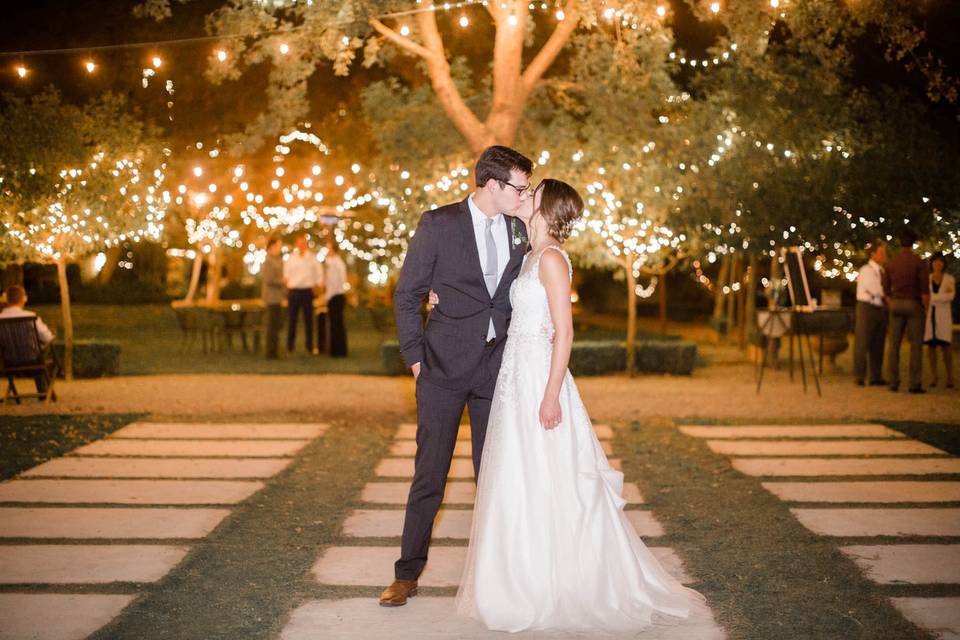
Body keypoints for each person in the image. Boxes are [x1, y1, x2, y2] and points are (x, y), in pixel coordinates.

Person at [454, 179, 707, 632]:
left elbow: (565, 332)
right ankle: (517, 580)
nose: (525, 196)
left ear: (546, 208)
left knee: (549, 475)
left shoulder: (551, 260)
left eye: (533, 194)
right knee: (518, 474)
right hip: (515, 375)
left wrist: (551, 393)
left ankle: (555, 583)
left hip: (539, 379)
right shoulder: (530, 255)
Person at [380, 145, 534, 607]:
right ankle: (406, 574)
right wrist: (414, 357)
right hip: (442, 369)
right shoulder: (438, 224)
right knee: (430, 475)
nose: (524, 193)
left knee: (492, 475)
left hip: (496, 370)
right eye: (519, 187)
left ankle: (497, 576)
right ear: (492, 185)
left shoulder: (520, 228)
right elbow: (407, 294)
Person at [883, 230, 930, 393]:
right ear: (913, 243)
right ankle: (914, 383)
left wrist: (890, 302)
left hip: (896, 303)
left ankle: (893, 382)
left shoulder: (892, 262)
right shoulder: (918, 262)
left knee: (894, 345)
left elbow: (885, 286)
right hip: (913, 303)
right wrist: (926, 307)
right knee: (916, 345)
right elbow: (925, 290)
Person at [0, 285, 55, 396]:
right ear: (23, 299)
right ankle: (43, 391)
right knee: (42, 352)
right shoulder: (31, 316)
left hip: (9, 361)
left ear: (6, 299)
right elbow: (47, 337)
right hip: (32, 359)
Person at [853, 240, 888, 386]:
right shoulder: (866, 270)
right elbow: (875, 288)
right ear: (872, 254)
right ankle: (860, 375)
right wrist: (886, 291)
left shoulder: (882, 271)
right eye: (881, 253)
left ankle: (875, 376)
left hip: (879, 307)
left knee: (878, 342)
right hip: (867, 307)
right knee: (863, 341)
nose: (884, 256)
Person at [283, 233, 322, 354]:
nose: (301, 245)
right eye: (299, 243)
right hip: (294, 292)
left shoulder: (312, 258)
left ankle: (309, 346)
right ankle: (290, 346)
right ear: (296, 244)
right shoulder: (291, 258)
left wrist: (317, 286)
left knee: (309, 320)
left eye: (303, 243)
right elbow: (286, 275)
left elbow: (319, 274)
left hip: (307, 292)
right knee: (292, 320)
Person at [924, 252, 955, 388]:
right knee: (931, 348)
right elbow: (925, 297)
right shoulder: (927, 278)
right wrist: (940, 297)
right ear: (931, 264)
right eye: (935, 261)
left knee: (946, 347)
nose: (938, 264)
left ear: (943, 264)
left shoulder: (949, 279)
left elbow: (951, 296)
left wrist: (934, 298)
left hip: (943, 316)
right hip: (931, 316)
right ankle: (934, 376)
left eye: (940, 261)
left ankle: (950, 377)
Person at [322, 241, 349, 357]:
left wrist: (327, 296)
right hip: (339, 295)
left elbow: (333, 283)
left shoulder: (333, 264)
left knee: (335, 324)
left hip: (335, 296)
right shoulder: (339, 262)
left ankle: (336, 350)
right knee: (338, 323)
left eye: (329, 249)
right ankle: (340, 350)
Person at [261, 236, 285, 359]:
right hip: (271, 298)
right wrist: (282, 281)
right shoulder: (268, 261)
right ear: (272, 247)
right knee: (271, 326)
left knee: (276, 326)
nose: (280, 249)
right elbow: (269, 279)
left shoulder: (278, 260)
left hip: (277, 298)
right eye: (278, 246)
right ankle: (270, 352)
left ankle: (274, 351)